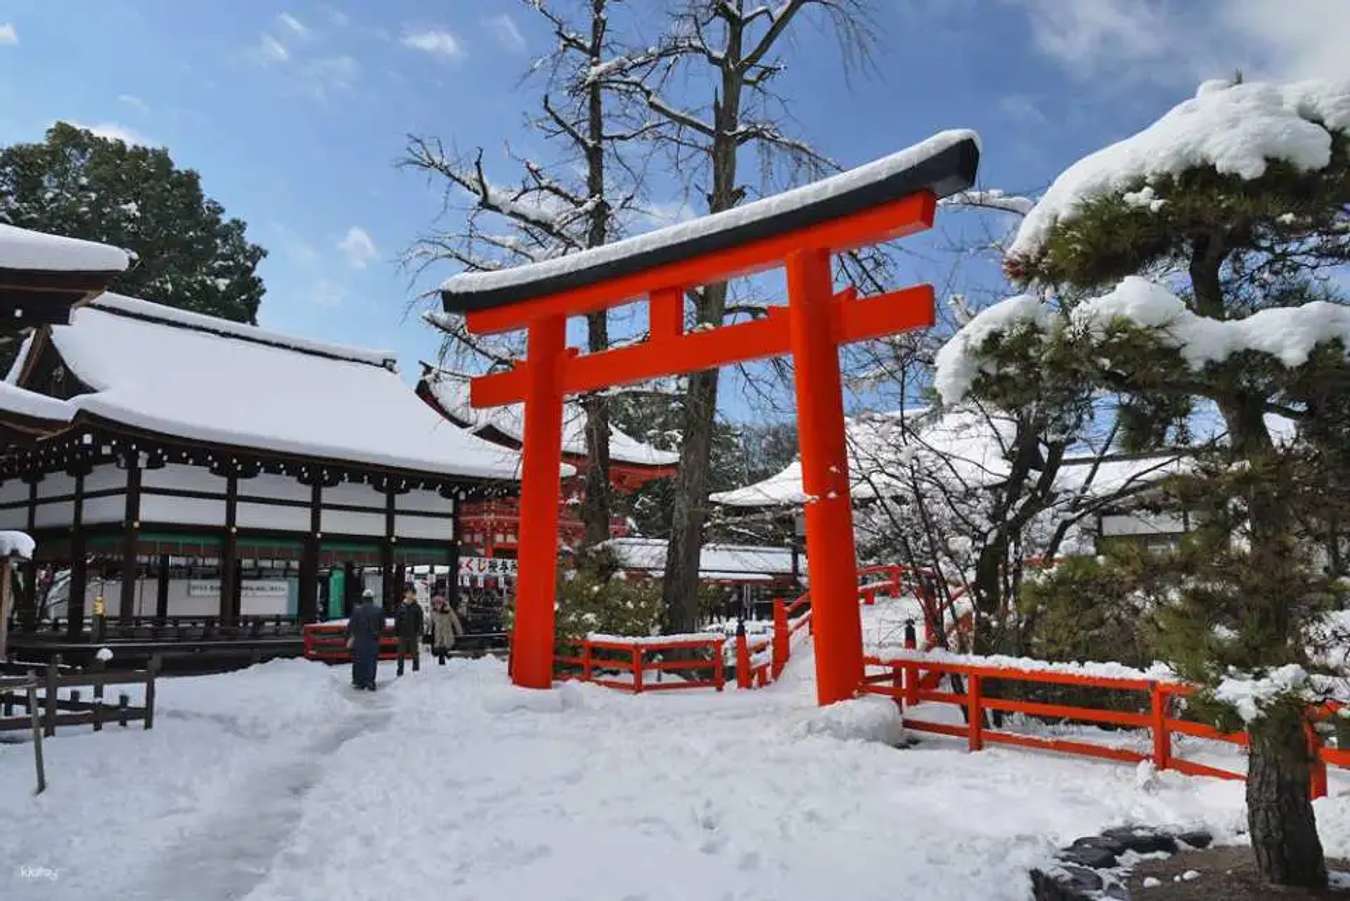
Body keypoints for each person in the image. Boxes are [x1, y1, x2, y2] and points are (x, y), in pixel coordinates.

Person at [345, 589, 384, 691]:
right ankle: (370, 681)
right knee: (371, 661)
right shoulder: (379, 610)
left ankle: (359, 682)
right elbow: (382, 626)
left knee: (359, 661)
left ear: (363, 598)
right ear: (372, 598)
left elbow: (351, 626)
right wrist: (378, 634)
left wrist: (348, 637)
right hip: (372, 640)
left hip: (359, 640)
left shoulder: (357, 611)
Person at [394, 587, 424, 676]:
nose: (409, 595)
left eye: (411, 593)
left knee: (414, 653)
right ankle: (400, 670)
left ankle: (416, 670)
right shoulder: (401, 606)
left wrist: (420, 633)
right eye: (408, 593)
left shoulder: (417, 607)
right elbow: (397, 621)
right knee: (400, 653)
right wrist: (396, 633)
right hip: (402, 633)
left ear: (414, 595)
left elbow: (420, 621)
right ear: (405, 594)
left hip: (413, 633)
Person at [430, 594, 464, 665]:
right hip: (438, 636)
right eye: (435, 604)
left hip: (447, 635)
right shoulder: (433, 612)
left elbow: (455, 621)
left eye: (439, 603)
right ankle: (442, 666)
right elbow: (431, 623)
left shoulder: (448, 611)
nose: (437, 605)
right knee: (440, 652)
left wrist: (460, 632)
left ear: (442, 603)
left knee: (447, 653)